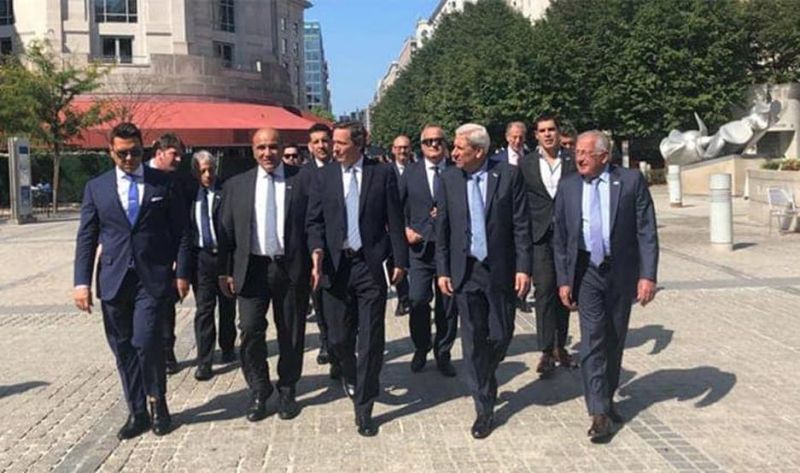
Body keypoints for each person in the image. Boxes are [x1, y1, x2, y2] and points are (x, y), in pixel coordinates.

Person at [73, 122, 190, 439]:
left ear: (143, 149)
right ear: (111, 152)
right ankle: (137, 411)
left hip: (152, 278)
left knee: (146, 340)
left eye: (135, 152)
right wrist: (81, 282)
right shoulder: (96, 188)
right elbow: (87, 237)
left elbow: (182, 232)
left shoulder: (163, 183)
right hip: (114, 279)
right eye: (122, 153)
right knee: (123, 347)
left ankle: (157, 401)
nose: (129, 158)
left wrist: (182, 272)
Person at [552, 130, 659, 443]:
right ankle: (598, 412)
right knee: (592, 339)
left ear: (604, 155)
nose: (579, 158)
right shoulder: (569, 186)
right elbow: (560, 238)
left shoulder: (630, 181)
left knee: (614, 338)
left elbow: (646, 230)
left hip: (620, 271)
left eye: (586, 153)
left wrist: (647, 275)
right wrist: (563, 279)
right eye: (577, 152)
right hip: (586, 271)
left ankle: (607, 397)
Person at [307, 120, 408, 437]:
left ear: (358, 144)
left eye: (340, 143)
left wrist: (400, 260)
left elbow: (395, 219)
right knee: (338, 339)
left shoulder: (382, 173)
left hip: (369, 266)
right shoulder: (324, 176)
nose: (333, 148)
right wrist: (316, 251)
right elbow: (314, 221)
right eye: (332, 142)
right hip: (335, 267)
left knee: (371, 339)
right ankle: (349, 375)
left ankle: (364, 406)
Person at [436, 123, 531, 439]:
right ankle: (484, 407)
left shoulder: (508, 175)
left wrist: (524, 267)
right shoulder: (448, 179)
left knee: (501, 333)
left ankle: (486, 370)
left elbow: (521, 225)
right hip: (465, 271)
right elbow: (443, 230)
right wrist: (443, 270)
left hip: (500, 269)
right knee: (473, 339)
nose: (453, 152)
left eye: (459, 148)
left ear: (479, 151)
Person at [217, 128, 313, 422]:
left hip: (290, 267)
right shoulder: (237, 185)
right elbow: (226, 232)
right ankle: (259, 388)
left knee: (291, 332)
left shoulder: (303, 180)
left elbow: (313, 223)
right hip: (252, 269)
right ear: (253, 150)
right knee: (249, 329)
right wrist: (225, 271)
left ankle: (287, 388)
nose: (267, 153)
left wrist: (315, 262)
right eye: (261, 148)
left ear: (282, 148)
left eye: (272, 147)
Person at [518, 114, 578, 376]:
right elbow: (520, 200)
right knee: (544, 291)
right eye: (542, 131)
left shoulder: (572, 160)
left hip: (566, 235)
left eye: (551, 129)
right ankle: (545, 350)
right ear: (536, 135)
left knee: (565, 290)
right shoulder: (526, 163)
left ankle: (560, 346)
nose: (547, 134)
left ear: (558, 132)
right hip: (540, 236)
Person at [400, 125, 457, 377]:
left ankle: (443, 352)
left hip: (450, 250)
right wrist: (405, 230)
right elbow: (397, 206)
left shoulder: (456, 171)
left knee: (448, 304)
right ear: (421, 146)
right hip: (420, 250)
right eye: (428, 141)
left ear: (445, 143)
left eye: (438, 141)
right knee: (418, 299)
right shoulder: (410, 173)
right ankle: (421, 347)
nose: (434, 145)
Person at [188, 150, 237, 382]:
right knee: (204, 309)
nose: (208, 175)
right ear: (195, 172)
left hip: (224, 257)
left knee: (227, 305)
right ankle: (204, 360)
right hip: (202, 258)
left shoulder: (226, 191)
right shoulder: (190, 195)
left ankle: (227, 345)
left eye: (211, 170)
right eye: (203, 171)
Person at [148, 133, 192, 375]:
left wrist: (181, 268)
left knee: (166, 308)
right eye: (174, 154)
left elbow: (182, 228)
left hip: (165, 261)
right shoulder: (140, 177)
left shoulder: (176, 181)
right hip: (137, 260)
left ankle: (167, 351)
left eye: (181, 156)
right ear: (159, 153)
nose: (178, 160)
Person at [303, 123, 339, 375]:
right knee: (320, 301)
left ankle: (341, 344)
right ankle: (327, 343)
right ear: (309, 146)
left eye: (325, 140)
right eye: (316, 142)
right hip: (313, 248)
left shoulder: (342, 169)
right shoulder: (302, 175)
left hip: (340, 248)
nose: (321, 146)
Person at [388, 134, 413, 316]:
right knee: (396, 263)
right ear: (393, 150)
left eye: (405, 147)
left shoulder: (418, 170)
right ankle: (404, 298)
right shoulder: (386, 171)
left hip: (415, 225)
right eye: (399, 148)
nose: (402, 151)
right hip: (393, 226)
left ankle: (415, 297)